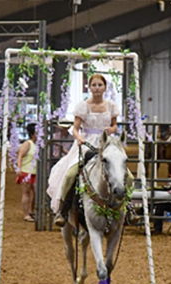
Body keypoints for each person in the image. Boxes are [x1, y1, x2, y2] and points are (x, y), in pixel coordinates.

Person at [47, 73, 120, 227]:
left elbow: (115, 125)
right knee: (71, 174)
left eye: (100, 85)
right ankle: (63, 210)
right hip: (87, 144)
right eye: (94, 85)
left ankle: (128, 208)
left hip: (105, 143)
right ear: (89, 87)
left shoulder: (111, 106)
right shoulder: (83, 106)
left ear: (105, 87)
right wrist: (79, 137)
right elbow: (75, 128)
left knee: (121, 171)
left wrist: (111, 129)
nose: (97, 88)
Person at [15, 123, 38, 222]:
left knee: (37, 193)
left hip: (35, 171)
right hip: (26, 171)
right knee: (26, 192)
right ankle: (26, 214)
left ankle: (31, 210)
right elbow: (20, 155)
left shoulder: (38, 144)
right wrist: (19, 168)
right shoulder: (27, 144)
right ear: (33, 134)